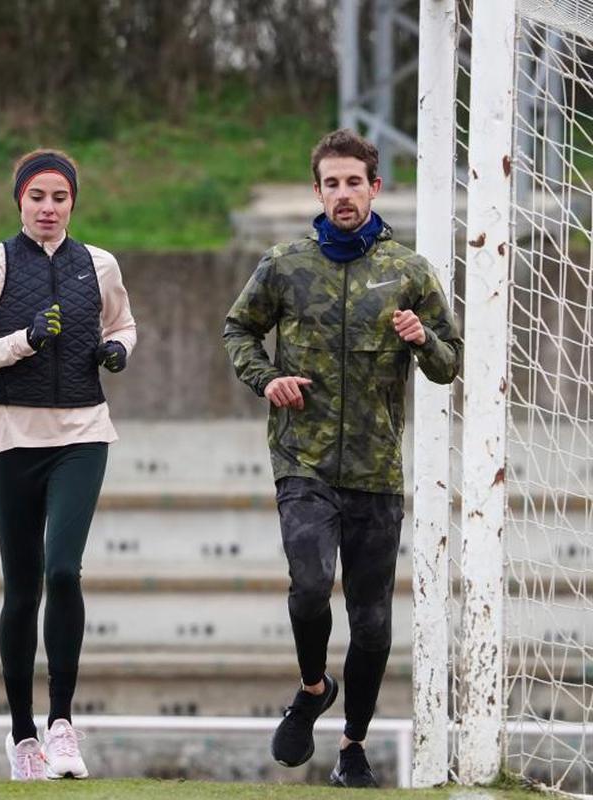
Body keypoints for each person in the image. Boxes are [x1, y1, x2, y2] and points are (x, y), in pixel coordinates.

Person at [223, 129, 461, 788]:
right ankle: (311, 687)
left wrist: (422, 342)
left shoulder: (408, 272)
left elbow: (450, 363)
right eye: (331, 183)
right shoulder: (285, 264)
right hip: (303, 459)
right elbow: (238, 328)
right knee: (306, 588)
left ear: (375, 187)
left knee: (374, 625)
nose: (343, 193)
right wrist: (265, 378)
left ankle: (353, 746)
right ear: (319, 190)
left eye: (354, 181)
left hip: (377, 472)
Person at [0, 148, 137, 781]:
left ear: (74, 203)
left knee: (64, 571)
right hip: (12, 441)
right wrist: (20, 343)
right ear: (19, 200)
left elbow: (127, 324)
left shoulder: (98, 265)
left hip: (82, 433)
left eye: (60, 198)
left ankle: (63, 727)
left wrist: (115, 349)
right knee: (22, 590)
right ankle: (23, 735)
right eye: (37, 197)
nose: (48, 208)